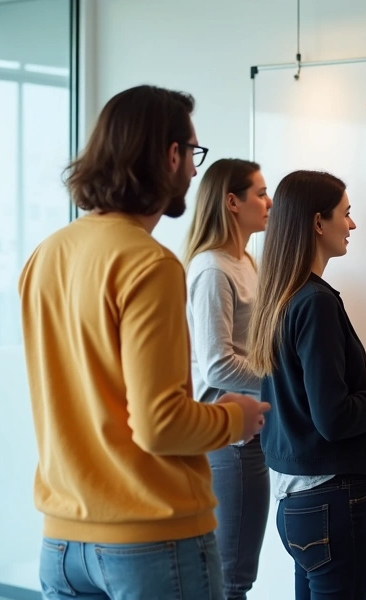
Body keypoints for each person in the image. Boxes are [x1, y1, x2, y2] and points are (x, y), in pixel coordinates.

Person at [20, 85, 270, 600]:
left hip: (63, 541)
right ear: (171, 155)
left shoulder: (46, 255)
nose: (196, 171)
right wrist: (236, 418)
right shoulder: (149, 263)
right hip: (151, 538)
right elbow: (160, 426)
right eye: (193, 154)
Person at [246, 169, 366, 600]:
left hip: (296, 502)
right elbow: (333, 420)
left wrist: (363, 379)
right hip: (329, 502)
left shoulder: (282, 296)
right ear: (317, 222)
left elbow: (301, 393)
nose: (353, 225)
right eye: (346, 214)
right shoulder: (317, 302)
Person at [184, 158, 274, 599]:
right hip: (229, 442)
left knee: (238, 577)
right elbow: (217, 364)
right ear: (232, 202)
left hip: (249, 435)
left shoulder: (246, 263)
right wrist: (282, 379)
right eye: (260, 192)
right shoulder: (212, 268)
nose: (269, 201)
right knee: (232, 579)